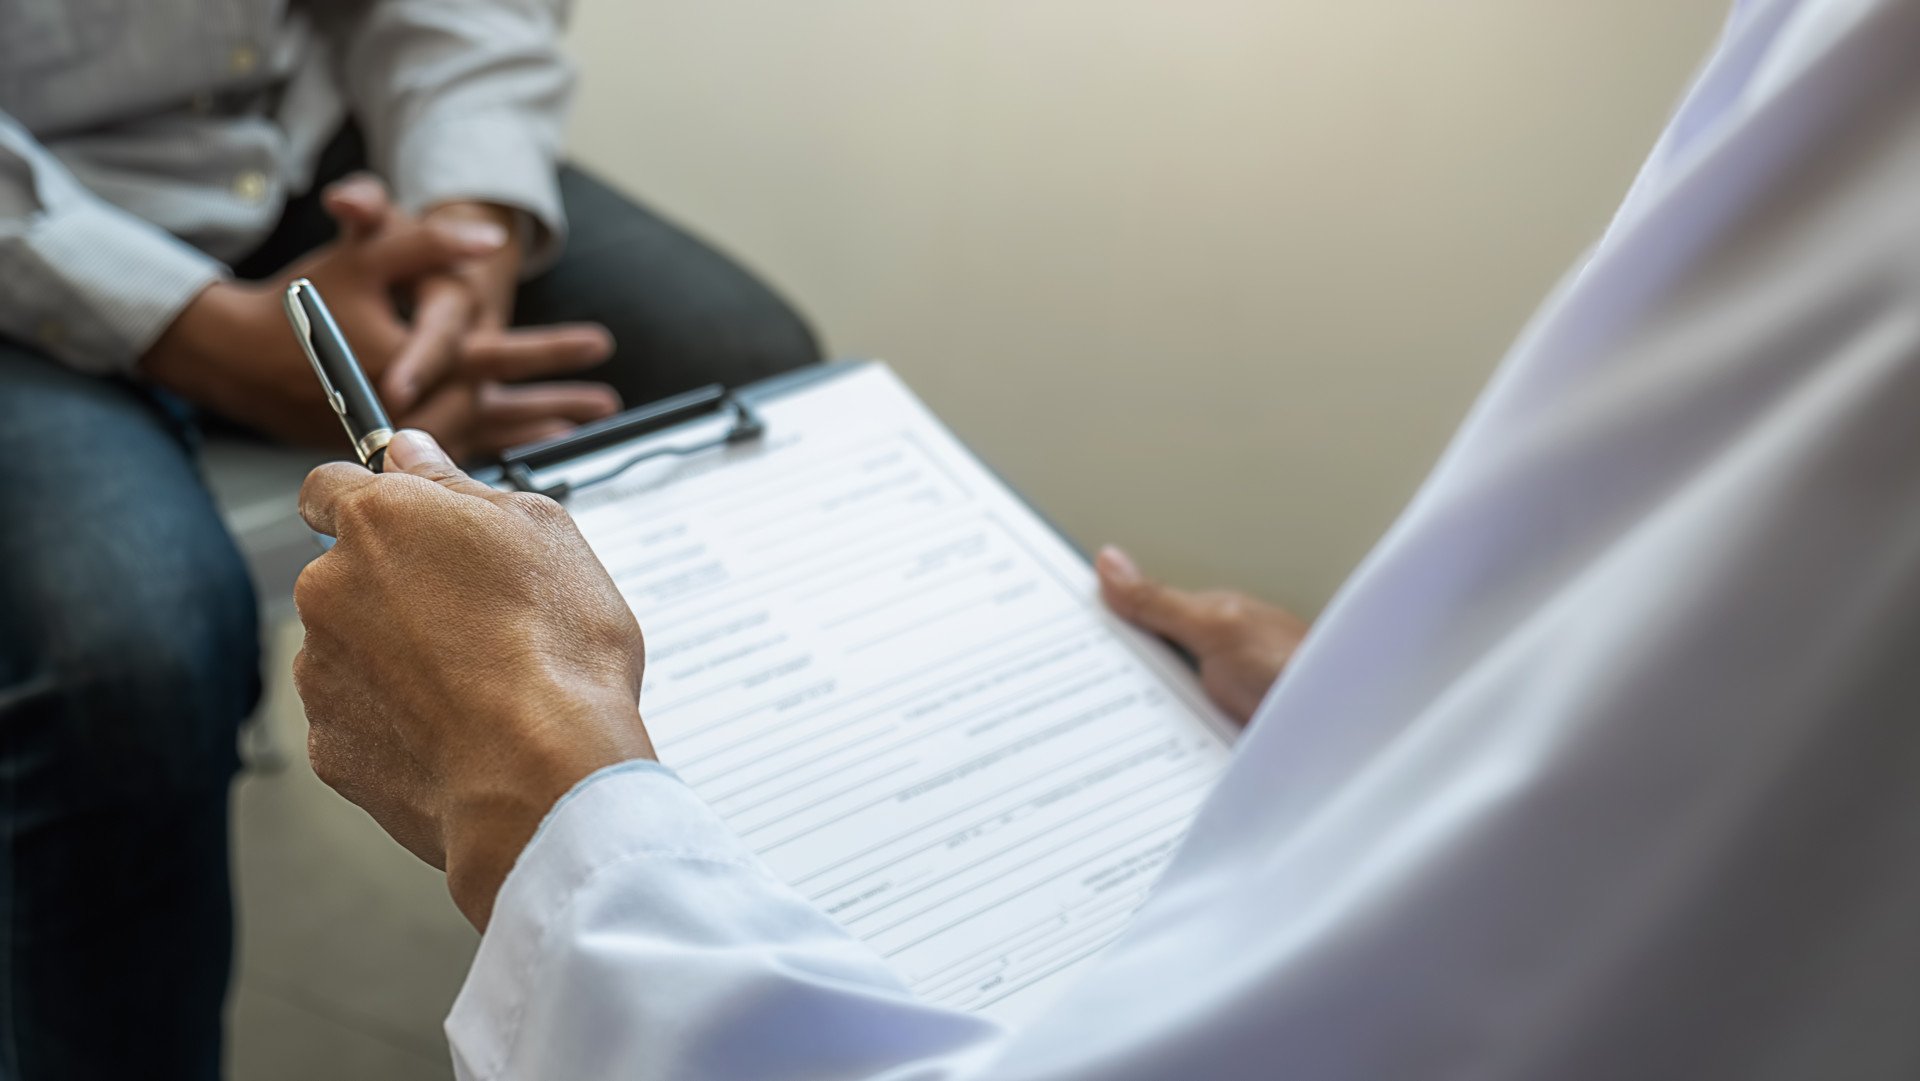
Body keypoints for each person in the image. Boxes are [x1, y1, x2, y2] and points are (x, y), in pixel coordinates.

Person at [293, 0, 1920, 1077]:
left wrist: (532, 775)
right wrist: (1392, 706)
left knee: (751, 347)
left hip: (356, 167)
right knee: (119, 605)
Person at [0, 1, 817, 1077]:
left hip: (301, 143)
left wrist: (470, 242)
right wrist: (187, 331)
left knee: (749, 372)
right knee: (126, 653)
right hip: (33, 213)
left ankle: (749, 937)